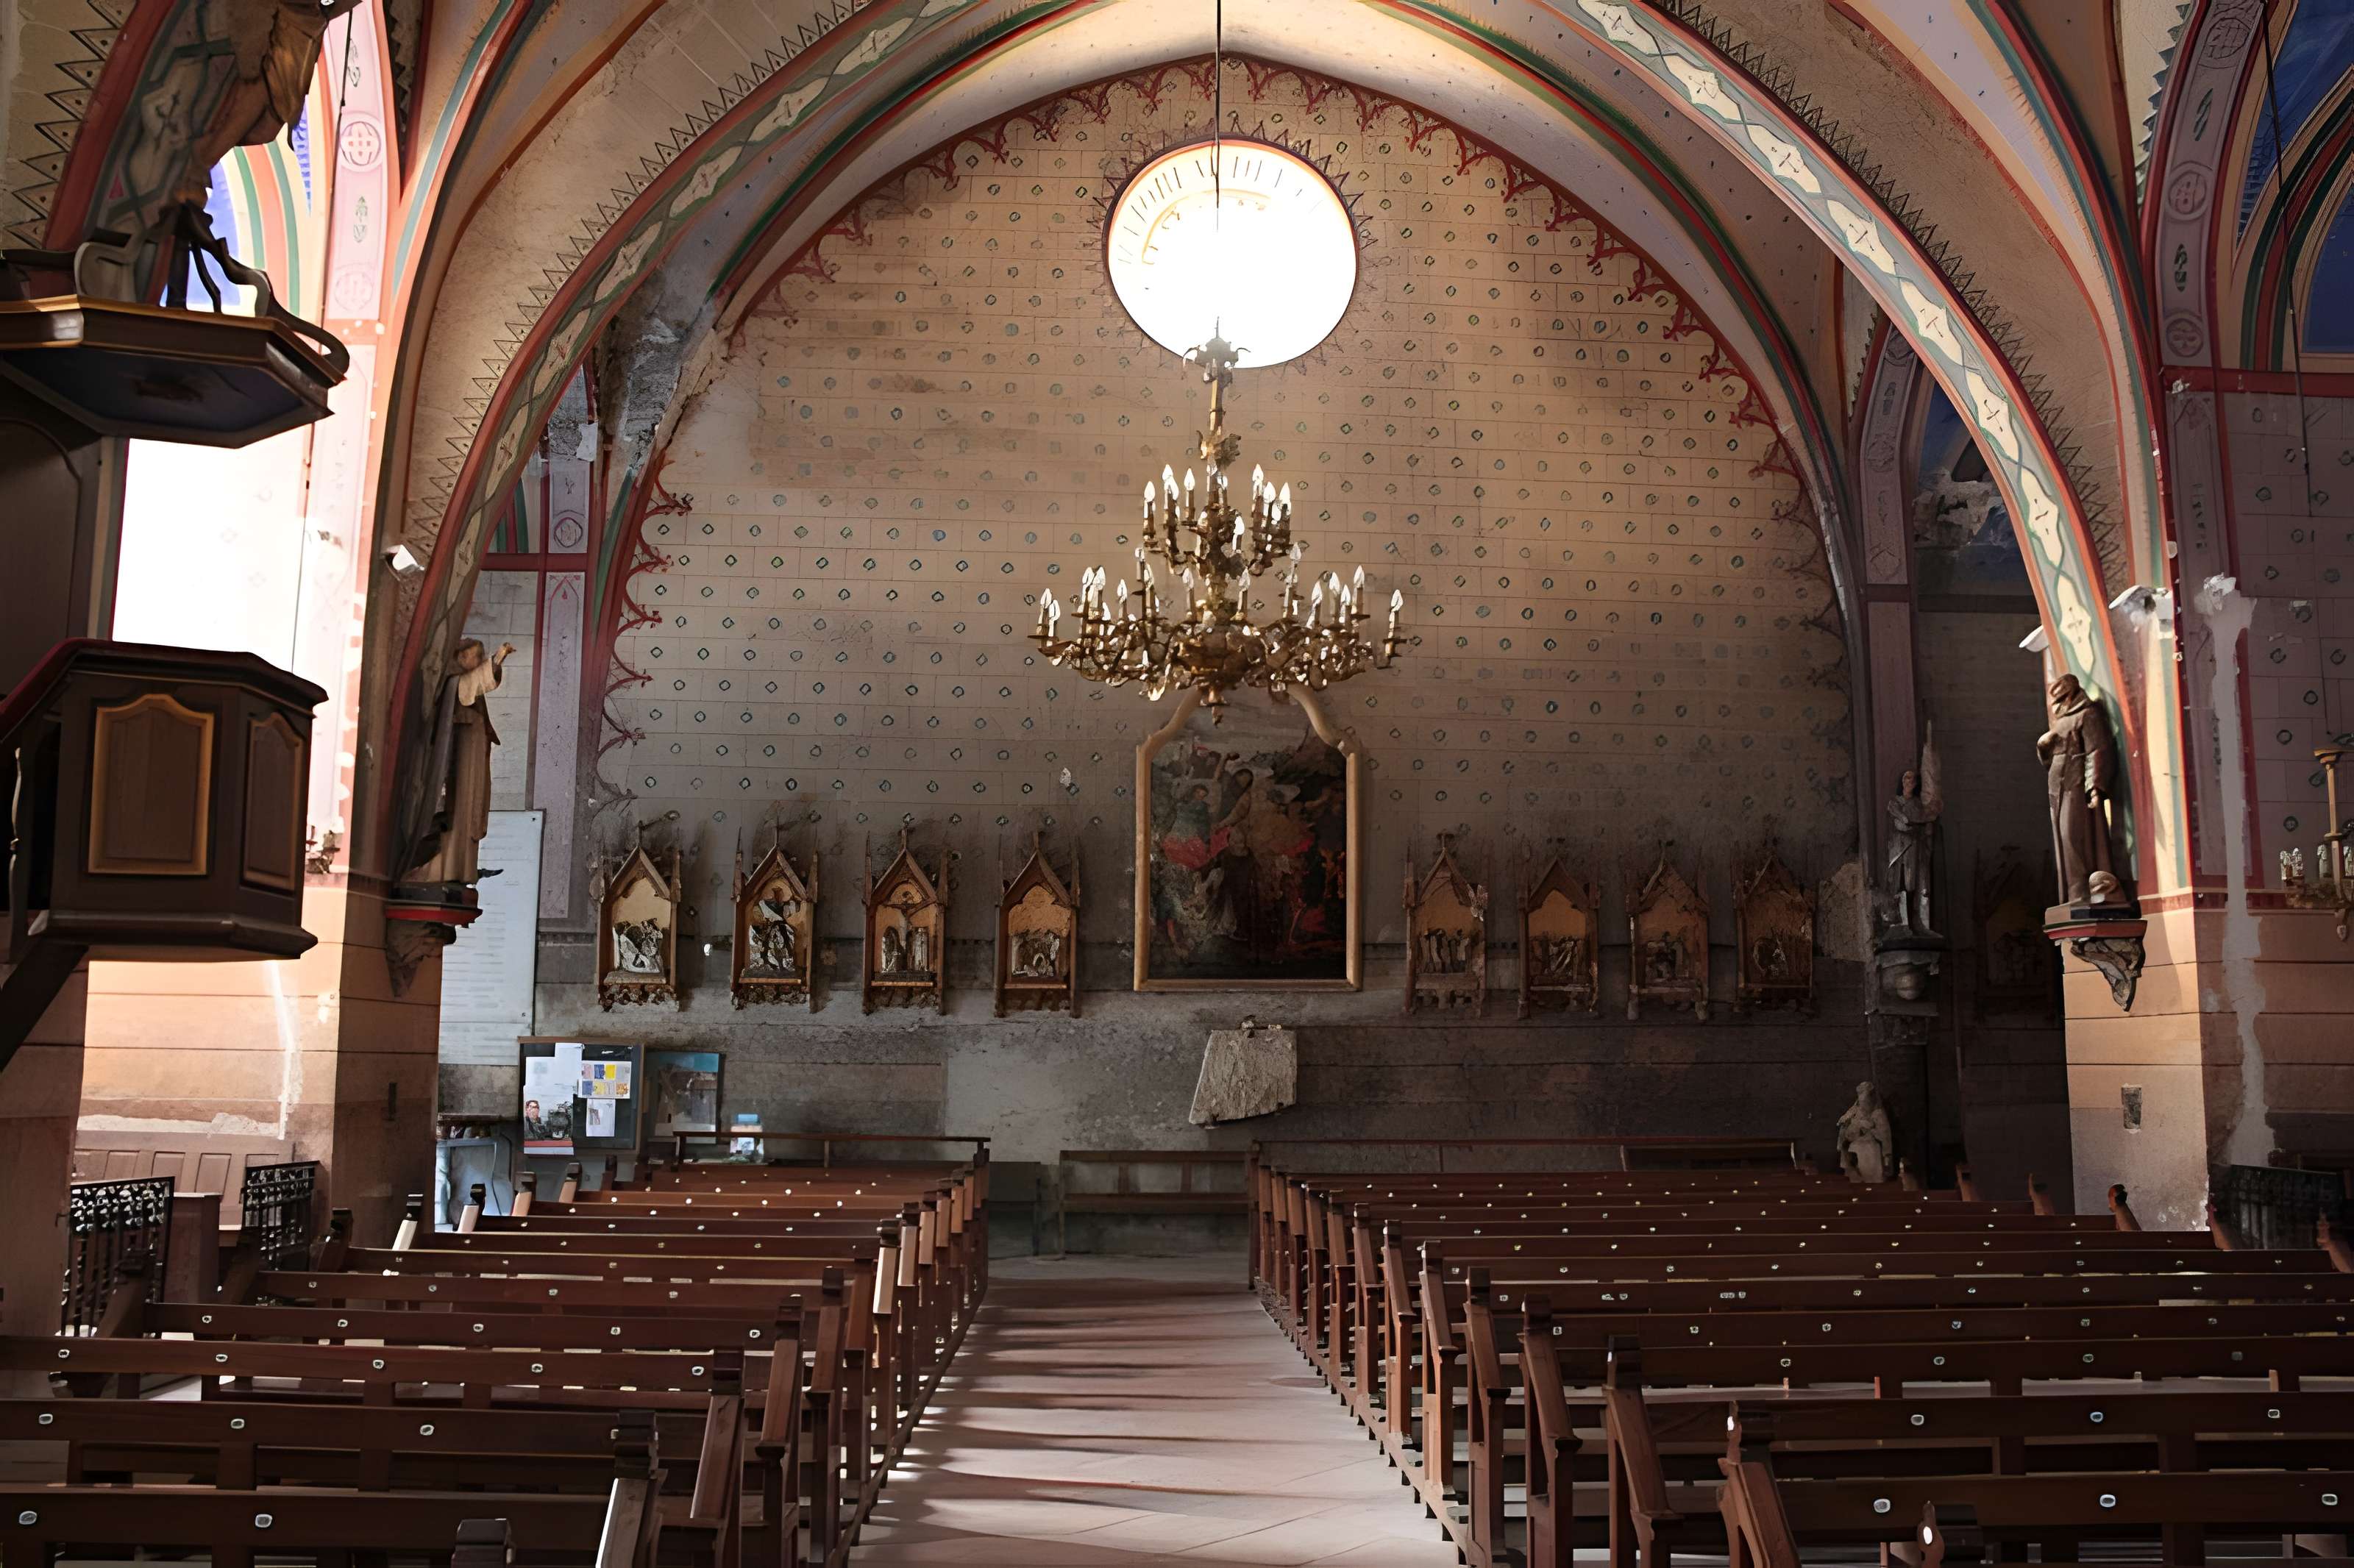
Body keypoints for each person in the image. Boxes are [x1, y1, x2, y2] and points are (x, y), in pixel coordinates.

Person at [408, 638, 516, 886]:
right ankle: (438, 870)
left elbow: (477, 685)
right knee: (456, 817)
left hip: (472, 765)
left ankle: (461, 871)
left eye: (481, 656)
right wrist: (497, 659)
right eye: (475, 656)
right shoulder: (452, 686)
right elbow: (473, 684)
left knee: (468, 816)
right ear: (460, 657)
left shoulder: (461, 689)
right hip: (459, 771)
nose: (479, 661)